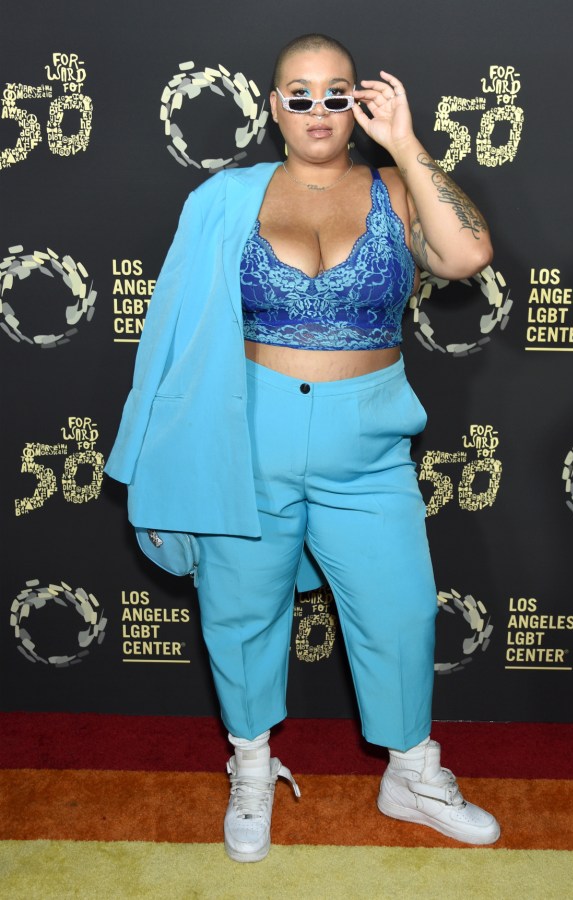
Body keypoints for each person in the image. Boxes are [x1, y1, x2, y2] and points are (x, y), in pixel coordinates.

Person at [105, 33, 500, 863]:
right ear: (273, 105)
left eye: (336, 92)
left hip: (369, 444)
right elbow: (175, 330)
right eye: (299, 93)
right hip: (244, 439)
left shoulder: (395, 188)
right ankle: (251, 767)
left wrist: (406, 143)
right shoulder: (228, 199)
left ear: (358, 101)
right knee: (241, 613)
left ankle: (411, 774)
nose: (317, 110)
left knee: (398, 610)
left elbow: (466, 256)